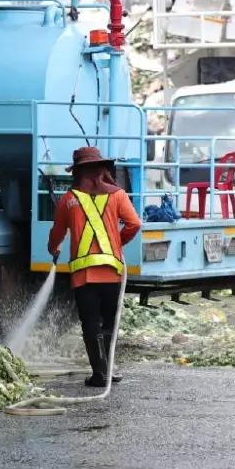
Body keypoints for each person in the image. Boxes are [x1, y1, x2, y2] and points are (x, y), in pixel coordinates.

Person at [48, 147, 142, 388]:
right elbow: (134, 223)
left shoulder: (68, 200)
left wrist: (54, 249)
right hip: (112, 272)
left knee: (90, 323)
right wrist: (116, 243)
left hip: (83, 277)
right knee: (109, 322)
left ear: (77, 173)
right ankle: (108, 371)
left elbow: (57, 233)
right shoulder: (118, 195)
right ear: (103, 170)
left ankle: (99, 373)